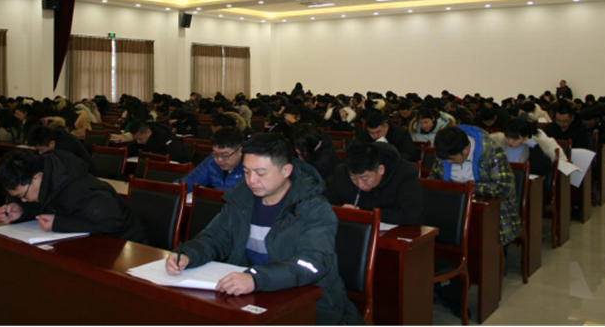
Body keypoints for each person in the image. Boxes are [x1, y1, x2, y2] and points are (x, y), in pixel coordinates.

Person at [165, 134, 365, 326]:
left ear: (286, 170)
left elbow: (312, 263)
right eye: (246, 172)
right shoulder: (242, 199)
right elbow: (215, 238)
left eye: (260, 173)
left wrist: (256, 278)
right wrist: (189, 254)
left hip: (311, 304)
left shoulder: (314, 207)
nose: (251, 180)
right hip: (254, 297)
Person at [0, 150, 149, 243]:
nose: (22, 199)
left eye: (22, 195)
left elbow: (112, 224)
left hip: (125, 245)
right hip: (90, 243)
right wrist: (21, 210)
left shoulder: (80, 190)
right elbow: (42, 205)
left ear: (37, 178)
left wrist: (58, 224)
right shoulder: (45, 176)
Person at [430, 126, 521, 247]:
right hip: (452, 206)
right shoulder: (445, 151)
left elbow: (504, 187)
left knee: (481, 241)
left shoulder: (492, 153)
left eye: (452, 159)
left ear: (466, 149)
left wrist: (466, 188)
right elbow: (433, 178)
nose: (448, 162)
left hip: (493, 210)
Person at [326, 141, 423, 226]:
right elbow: (324, 204)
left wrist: (363, 214)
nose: (360, 185)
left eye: (365, 179)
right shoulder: (341, 173)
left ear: (381, 170)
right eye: (354, 178)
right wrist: (340, 210)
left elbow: (410, 214)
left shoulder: (405, 175)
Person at [490, 119, 564, 191]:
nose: (510, 142)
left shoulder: (532, 149)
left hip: (521, 188)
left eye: (515, 139)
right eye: (507, 137)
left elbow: (542, 169)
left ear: (525, 137)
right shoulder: (498, 143)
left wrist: (534, 146)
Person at [180, 128, 246, 193]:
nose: (219, 159)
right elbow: (189, 182)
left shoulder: (249, 168)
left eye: (225, 155)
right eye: (215, 154)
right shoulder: (211, 161)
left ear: (240, 150)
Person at [26, 124, 98, 177]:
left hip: (87, 176)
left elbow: (63, 171)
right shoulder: (48, 140)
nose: (40, 153)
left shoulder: (66, 145)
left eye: (42, 150)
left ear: (52, 143)